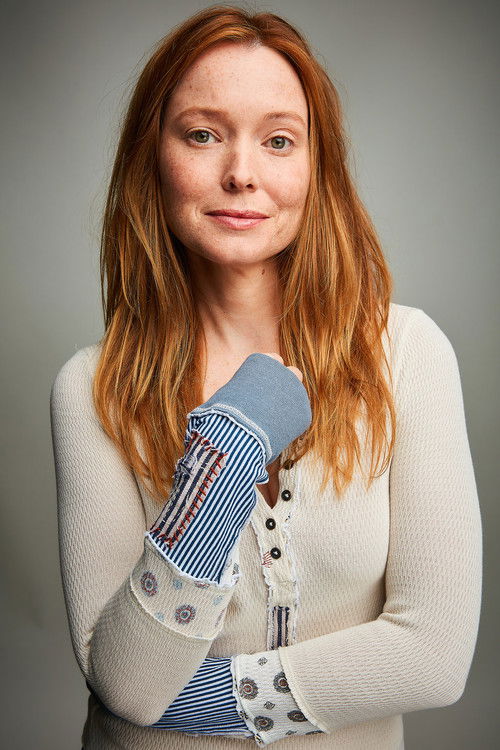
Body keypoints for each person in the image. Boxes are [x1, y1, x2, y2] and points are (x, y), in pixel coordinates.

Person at [49, 5, 483, 749]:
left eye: (279, 140)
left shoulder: (408, 353)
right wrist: (223, 459)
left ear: (317, 167)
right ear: (153, 155)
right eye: (202, 134)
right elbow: (123, 686)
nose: (241, 174)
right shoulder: (93, 388)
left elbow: (434, 659)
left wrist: (191, 702)